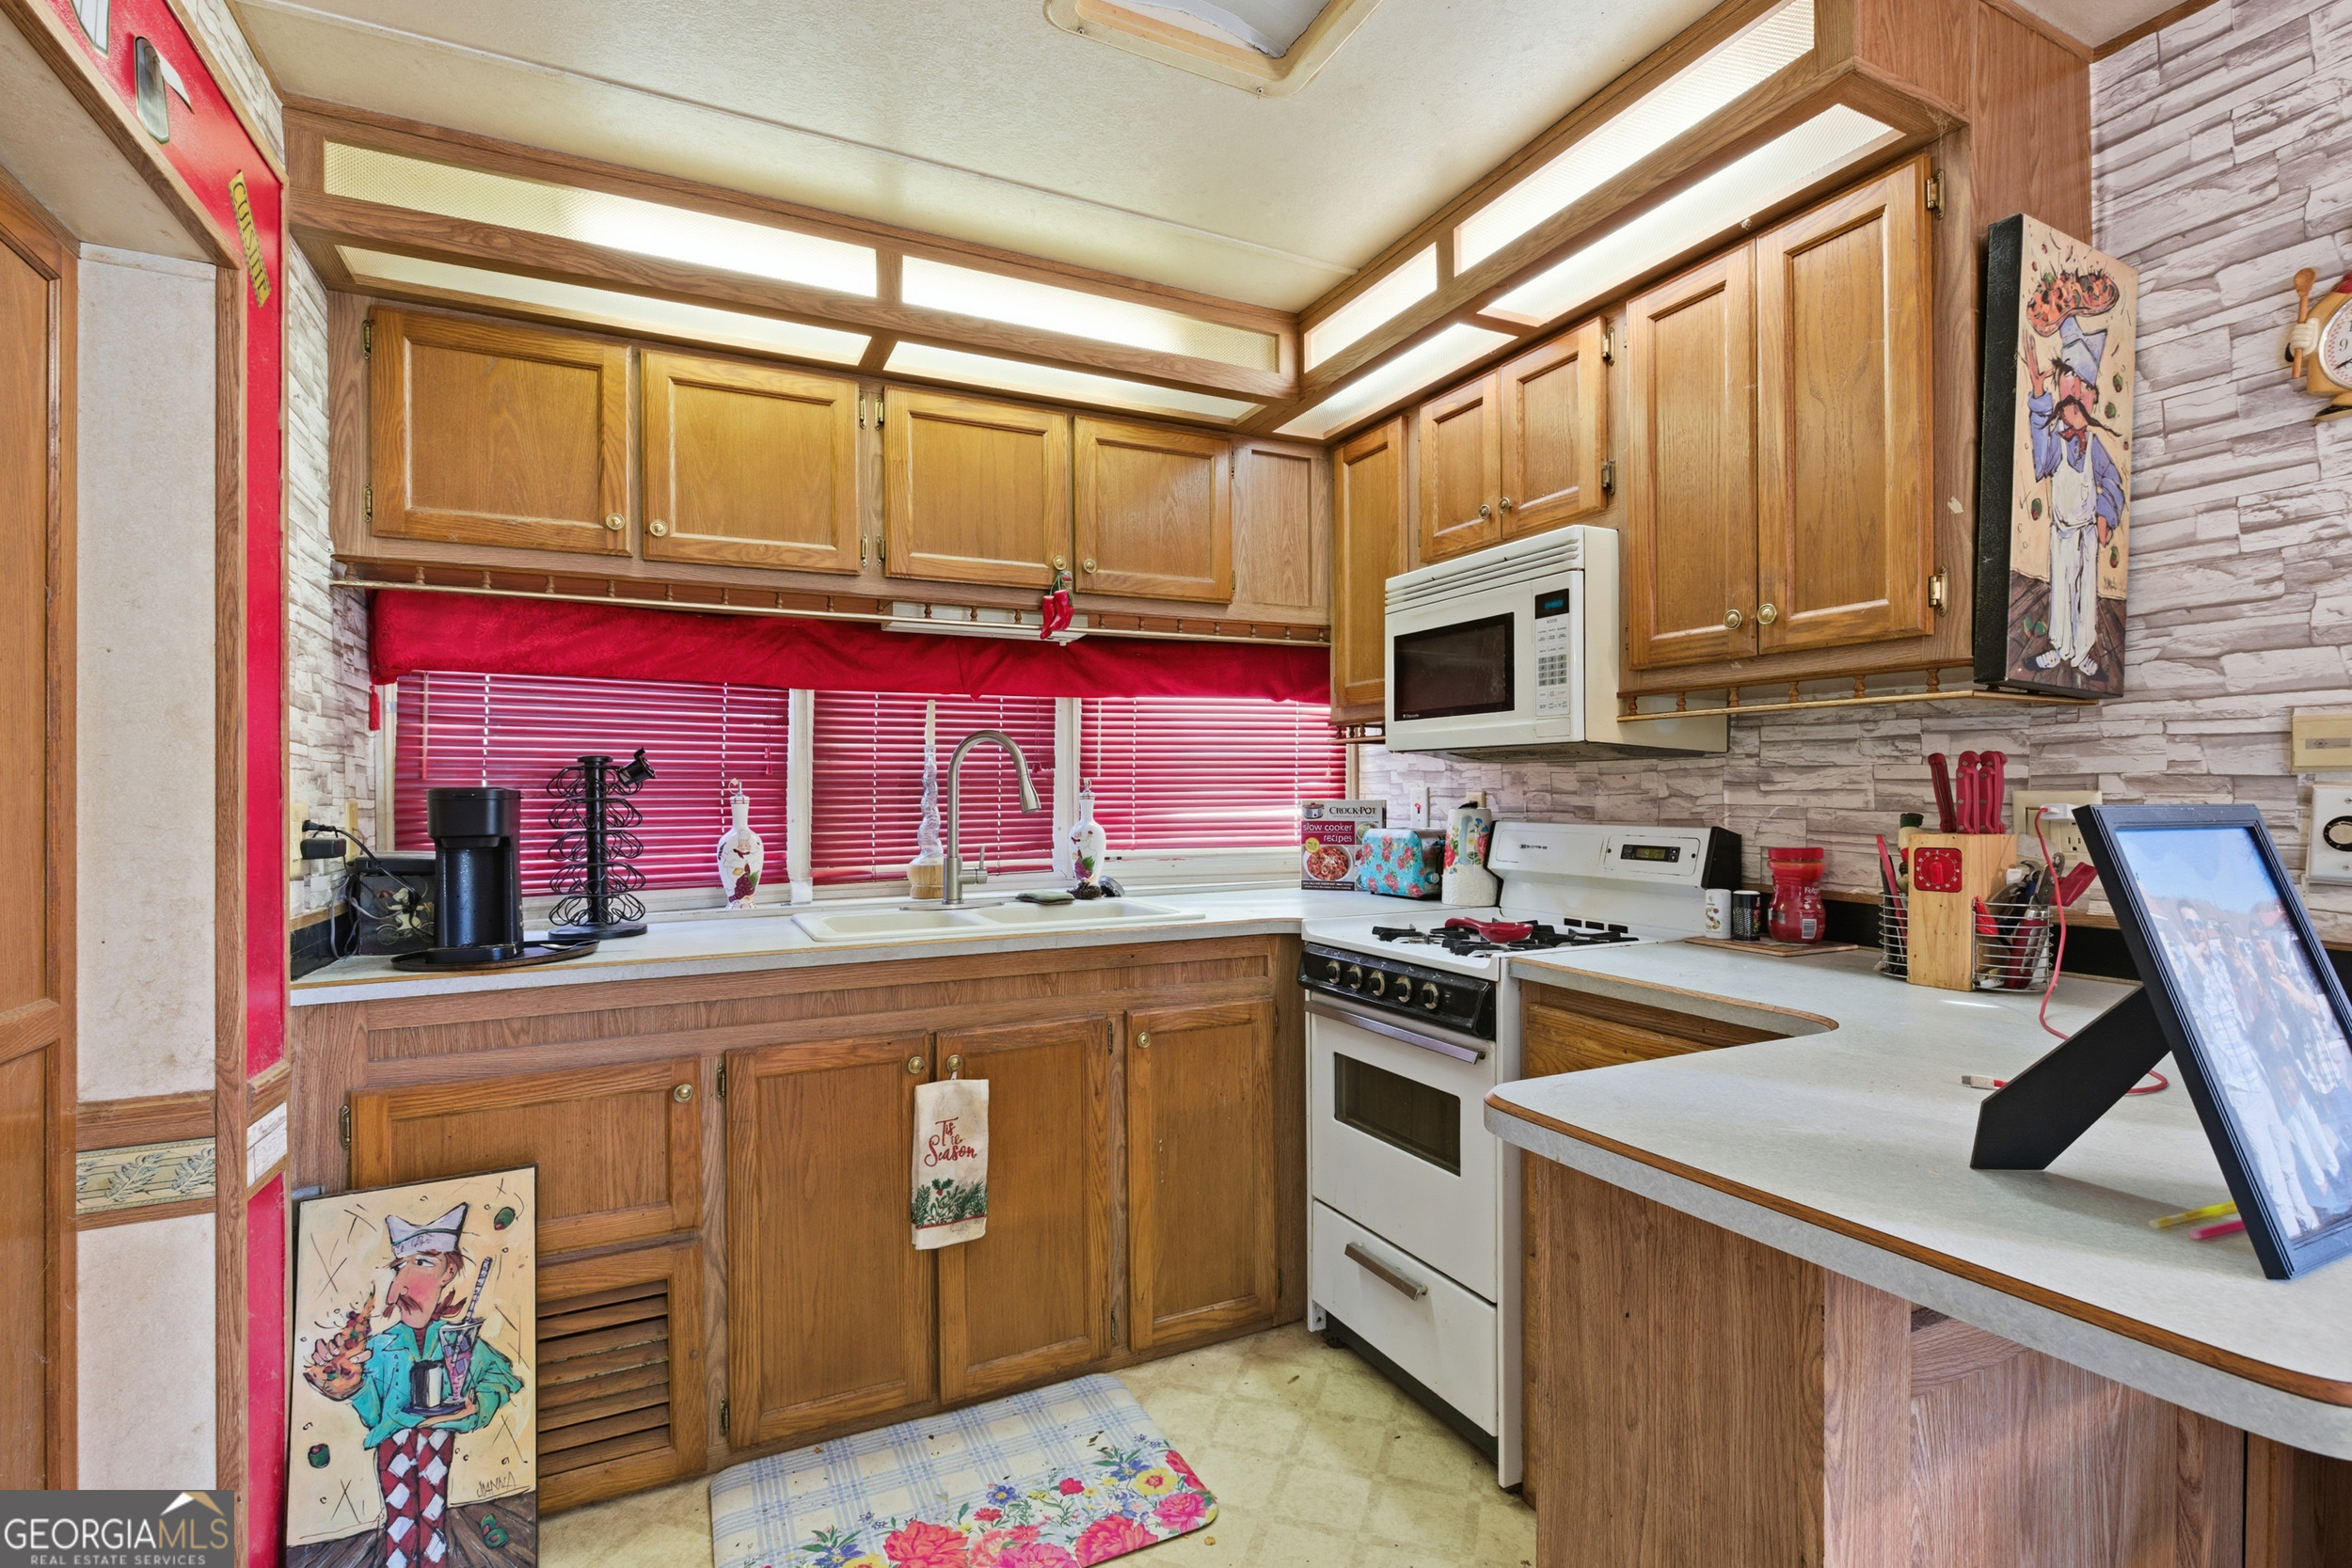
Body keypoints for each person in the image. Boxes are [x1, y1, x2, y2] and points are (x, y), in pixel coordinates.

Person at [303, 1204, 523, 1568]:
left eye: (422, 1262)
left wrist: (477, 1407)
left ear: (448, 1271)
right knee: (401, 1524)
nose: (403, 1282)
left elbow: (500, 1376)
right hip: (395, 1446)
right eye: (400, 1266)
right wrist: (351, 1389)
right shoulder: (381, 1347)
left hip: (439, 1439)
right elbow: (375, 1415)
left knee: (434, 1523)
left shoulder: (459, 1341)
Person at [2025, 317, 2126, 679]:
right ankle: (2058, 648)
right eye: (2072, 382)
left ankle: (2082, 652)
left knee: (2085, 591)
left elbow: (2113, 482)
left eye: (2086, 387)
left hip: (2086, 532)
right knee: (2062, 588)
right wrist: (2037, 396)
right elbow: (2041, 461)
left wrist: (2103, 515)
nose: (2078, 394)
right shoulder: (2054, 438)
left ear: (2094, 398)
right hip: (2061, 531)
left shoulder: (2095, 446)